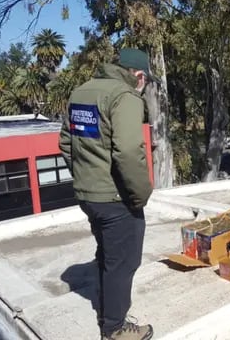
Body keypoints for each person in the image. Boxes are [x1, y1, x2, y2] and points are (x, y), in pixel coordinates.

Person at [59, 48, 155, 340]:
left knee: (107, 256)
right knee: (123, 261)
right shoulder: (124, 96)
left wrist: (86, 178)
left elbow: (66, 142)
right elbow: (127, 151)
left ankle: (106, 313)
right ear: (138, 76)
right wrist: (141, 195)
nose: (144, 87)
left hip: (89, 196)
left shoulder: (82, 92)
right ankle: (114, 329)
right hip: (115, 199)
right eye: (145, 81)